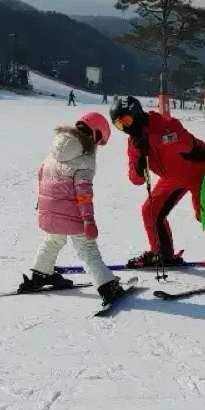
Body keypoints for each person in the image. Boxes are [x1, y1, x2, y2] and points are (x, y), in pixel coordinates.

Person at [110, 95, 205, 286]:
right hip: (172, 177)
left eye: (125, 121)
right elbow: (136, 180)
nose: (125, 128)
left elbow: (185, 142)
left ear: (136, 114)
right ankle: (161, 254)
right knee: (150, 210)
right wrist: (139, 162)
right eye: (119, 125)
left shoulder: (164, 123)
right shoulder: (134, 143)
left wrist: (152, 140)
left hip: (200, 171)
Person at [18, 111, 126, 306]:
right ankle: (108, 286)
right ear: (94, 133)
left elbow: (41, 172)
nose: (98, 145)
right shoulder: (84, 157)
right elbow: (83, 193)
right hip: (71, 214)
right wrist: (89, 221)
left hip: (48, 210)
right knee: (87, 249)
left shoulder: (57, 146)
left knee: (53, 239)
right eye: (100, 139)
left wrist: (42, 204)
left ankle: (41, 274)